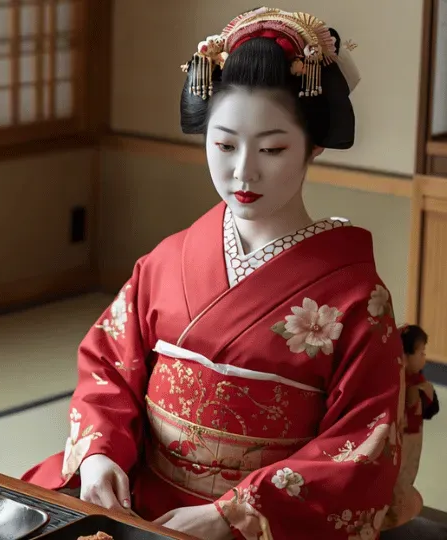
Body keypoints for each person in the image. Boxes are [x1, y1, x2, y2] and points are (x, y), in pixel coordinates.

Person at [21, 7, 405, 540]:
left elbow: (363, 443)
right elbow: (108, 367)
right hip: (138, 493)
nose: (243, 171)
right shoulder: (168, 260)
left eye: (272, 148)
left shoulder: (356, 298)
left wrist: (234, 515)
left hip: (260, 522)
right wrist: (99, 454)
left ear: (314, 145)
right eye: (223, 145)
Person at [383, 324, 439, 529]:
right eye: (421, 353)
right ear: (404, 356)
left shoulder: (420, 383)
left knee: (404, 481)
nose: (424, 358)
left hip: (412, 446)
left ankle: (397, 518)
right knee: (392, 484)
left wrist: (420, 396)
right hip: (395, 446)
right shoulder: (391, 383)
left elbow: (432, 410)